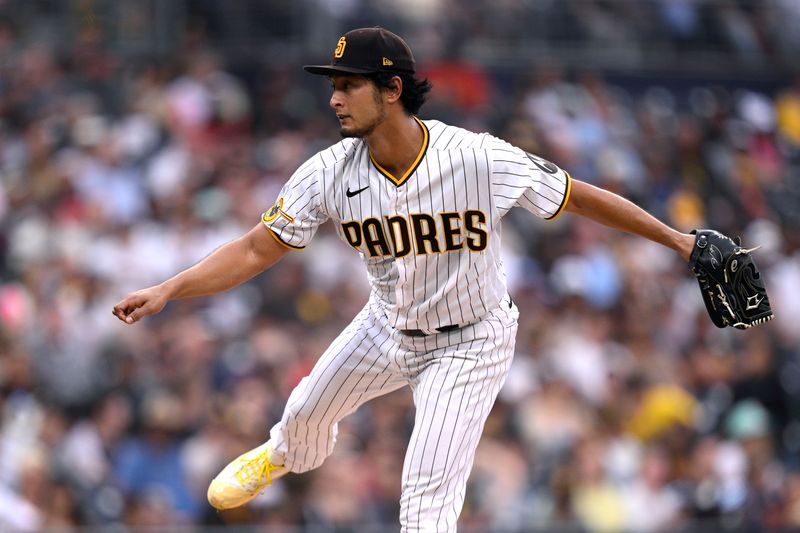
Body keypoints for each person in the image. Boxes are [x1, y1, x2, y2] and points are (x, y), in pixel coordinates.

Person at [113, 27, 696, 532]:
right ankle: (282, 454)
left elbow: (576, 196)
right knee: (303, 417)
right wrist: (171, 287)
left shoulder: (475, 157)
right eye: (333, 85)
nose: (335, 98)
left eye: (349, 84)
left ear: (392, 89)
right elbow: (253, 249)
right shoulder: (328, 172)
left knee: (424, 496)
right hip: (388, 323)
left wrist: (678, 240)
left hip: (471, 339)